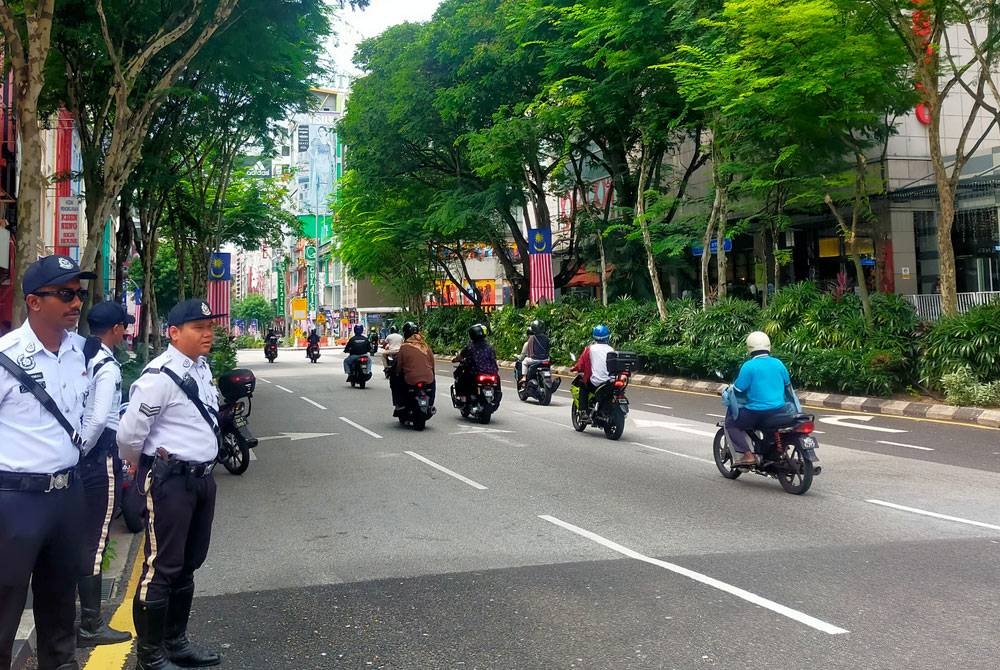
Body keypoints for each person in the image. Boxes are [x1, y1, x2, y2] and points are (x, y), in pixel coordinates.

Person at [118, 298, 226, 670]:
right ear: (174, 333)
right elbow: (130, 435)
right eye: (198, 327)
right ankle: (150, 656)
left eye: (209, 325)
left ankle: (176, 642)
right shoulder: (159, 376)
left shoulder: (200, 368)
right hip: (170, 481)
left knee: (188, 563)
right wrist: (141, 468)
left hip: (200, 479)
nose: (208, 333)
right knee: (161, 566)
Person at [0, 255, 95, 670]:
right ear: (34, 302)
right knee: (4, 605)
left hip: (67, 495)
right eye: (65, 294)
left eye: (79, 293)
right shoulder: (6, 356)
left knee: (60, 606)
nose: (76, 302)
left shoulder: (82, 353)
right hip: (16, 502)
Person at [76, 302, 135, 648]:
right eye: (123, 328)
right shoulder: (107, 366)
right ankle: (90, 625)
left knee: (81, 537)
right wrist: (83, 451)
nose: (126, 333)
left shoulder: (80, 357)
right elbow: (98, 420)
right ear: (114, 329)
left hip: (78, 460)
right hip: (97, 458)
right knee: (96, 542)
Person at [723, 331, 798, 467]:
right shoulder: (778, 363)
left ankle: (748, 455)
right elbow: (788, 386)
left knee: (731, 424)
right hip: (779, 409)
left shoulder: (749, 366)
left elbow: (738, 390)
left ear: (749, 347)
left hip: (756, 413)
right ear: (768, 346)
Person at [570, 324, 615, 420]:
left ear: (594, 337)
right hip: (610, 382)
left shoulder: (590, 349)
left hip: (597, 382)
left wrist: (574, 368)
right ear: (607, 337)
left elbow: (581, 365)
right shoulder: (611, 349)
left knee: (583, 386)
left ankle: (583, 412)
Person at [393, 322, 436, 412]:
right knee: (433, 381)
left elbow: (399, 365)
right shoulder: (425, 346)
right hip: (428, 378)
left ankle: (400, 404)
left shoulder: (404, 347)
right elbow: (432, 363)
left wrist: (396, 373)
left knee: (396, 381)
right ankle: (431, 404)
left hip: (411, 379)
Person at [451, 324, 499, 401]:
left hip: (475, 372)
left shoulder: (470, 347)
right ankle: (496, 396)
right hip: (492, 372)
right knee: (497, 380)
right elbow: (494, 359)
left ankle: (462, 397)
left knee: (460, 377)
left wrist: (455, 360)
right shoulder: (490, 347)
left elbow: (460, 357)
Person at [515, 319, 550, 386]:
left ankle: (524, 377)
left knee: (524, 362)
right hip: (545, 359)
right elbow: (548, 348)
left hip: (534, 359)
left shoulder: (531, 339)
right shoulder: (546, 338)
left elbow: (531, 351)